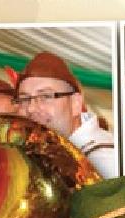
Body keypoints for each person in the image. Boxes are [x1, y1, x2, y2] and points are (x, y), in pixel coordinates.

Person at [15, 51, 117, 179]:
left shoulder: (103, 161)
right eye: (24, 99)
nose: (30, 108)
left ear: (75, 103)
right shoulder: (52, 149)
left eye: (46, 96)